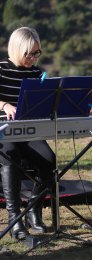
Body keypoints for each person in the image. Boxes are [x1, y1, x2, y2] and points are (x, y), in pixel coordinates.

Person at [0, 27, 55, 240]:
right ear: (16, 49)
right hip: (3, 132)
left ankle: (33, 209)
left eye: (36, 53)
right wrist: (4, 105)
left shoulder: (36, 74)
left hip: (29, 131)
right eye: (28, 54)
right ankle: (15, 218)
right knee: (11, 157)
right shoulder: (2, 69)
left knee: (49, 160)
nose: (33, 58)